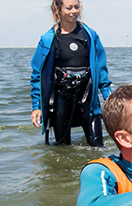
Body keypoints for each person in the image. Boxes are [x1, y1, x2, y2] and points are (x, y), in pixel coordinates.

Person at [30, 0, 112, 146]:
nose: (74, 11)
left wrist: (108, 96)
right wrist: (36, 106)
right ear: (58, 9)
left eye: (76, 7)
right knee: (62, 149)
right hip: (61, 99)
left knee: (97, 146)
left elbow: (100, 68)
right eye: (69, 8)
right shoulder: (48, 39)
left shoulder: (90, 35)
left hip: (88, 99)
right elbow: (38, 75)